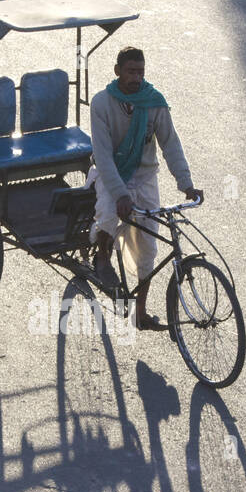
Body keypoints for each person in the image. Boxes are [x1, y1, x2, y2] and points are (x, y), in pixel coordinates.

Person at [89, 47, 203, 332]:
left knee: (149, 249)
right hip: (111, 175)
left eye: (140, 71)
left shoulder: (154, 102)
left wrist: (186, 183)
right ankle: (101, 255)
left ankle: (140, 313)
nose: (136, 77)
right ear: (117, 72)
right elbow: (102, 157)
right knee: (106, 215)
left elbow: (171, 144)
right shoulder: (102, 103)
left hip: (145, 177)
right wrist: (120, 194)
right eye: (130, 71)